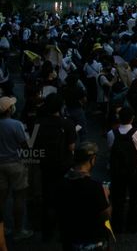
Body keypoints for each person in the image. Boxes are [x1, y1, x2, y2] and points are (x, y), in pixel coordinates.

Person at [35, 93, 76, 241]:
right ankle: (65, 227)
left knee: (48, 197)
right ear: (60, 107)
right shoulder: (67, 124)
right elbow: (71, 147)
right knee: (65, 197)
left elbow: (33, 143)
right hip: (64, 164)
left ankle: (47, 231)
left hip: (46, 164)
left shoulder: (38, 122)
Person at [58, 142, 111, 250]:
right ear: (92, 159)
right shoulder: (95, 187)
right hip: (92, 241)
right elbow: (106, 215)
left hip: (70, 239)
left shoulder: (62, 183)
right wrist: (106, 196)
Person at [107, 106, 137, 232]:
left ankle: (117, 224)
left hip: (117, 170)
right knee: (135, 198)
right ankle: (132, 224)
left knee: (118, 198)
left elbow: (110, 150)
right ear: (132, 118)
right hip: (135, 170)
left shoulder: (111, 133)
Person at [0, 96, 33, 241]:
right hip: (15, 164)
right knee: (19, 197)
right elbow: (25, 145)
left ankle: (2, 228)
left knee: (1, 199)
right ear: (9, 110)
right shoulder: (16, 124)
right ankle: (18, 230)